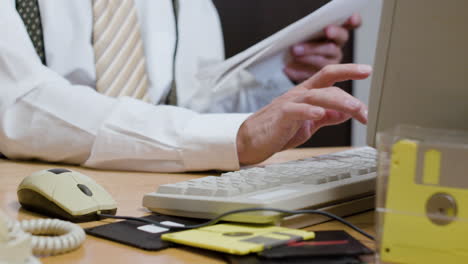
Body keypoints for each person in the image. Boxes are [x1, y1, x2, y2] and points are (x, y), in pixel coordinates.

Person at [0, 0, 368, 172]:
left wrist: (281, 78)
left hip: (150, 200)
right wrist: (238, 137)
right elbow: (20, 105)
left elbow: (195, 107)